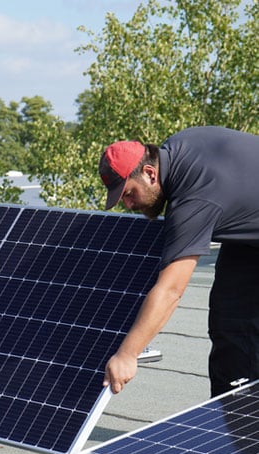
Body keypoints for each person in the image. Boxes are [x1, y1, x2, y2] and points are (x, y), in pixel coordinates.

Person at [98, 126, 259, 397]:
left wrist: (128, 354)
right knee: (230, 321)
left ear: (150, 174)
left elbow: (172, 290)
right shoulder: (175, 146)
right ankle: (233, 417)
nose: (128, 204)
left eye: (129, 193)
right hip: (249, 237)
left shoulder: (194, 199)